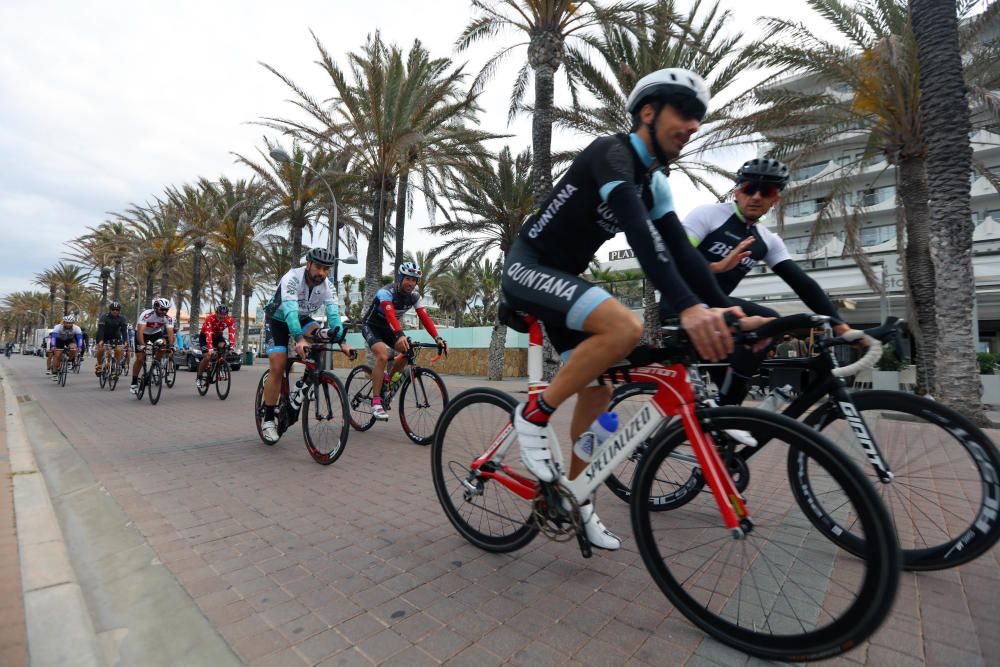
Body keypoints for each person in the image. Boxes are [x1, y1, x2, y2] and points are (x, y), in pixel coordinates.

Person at [501, 67, 768, 551]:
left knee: (601, 392)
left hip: (564, 283)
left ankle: (578, 499)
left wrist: (724, 308)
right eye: (685, 113)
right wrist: (687, 308)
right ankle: (534, 414)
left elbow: (684, 256)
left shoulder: (657, 185)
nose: (693, 126)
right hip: (529, 266)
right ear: (648, 112)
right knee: (626, 325)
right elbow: (640, 237)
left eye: (699, 118)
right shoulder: (612, 154)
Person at [679, 157, 852, 406]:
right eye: (749, 188)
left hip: (721, 309)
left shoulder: (768, 240)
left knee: (773, 322)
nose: (756, 196)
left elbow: (802, 283)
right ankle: (726, 403)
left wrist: (842, 326)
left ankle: (726, 404)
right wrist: (716, 266)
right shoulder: (708, 215)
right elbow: (675, 258)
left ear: (775, 199)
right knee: (759, 322)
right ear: (737, 191)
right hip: (684, 305)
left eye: (767, 191)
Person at [260, 248, 353, 443]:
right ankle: (268, 418)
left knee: (320, 340)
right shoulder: (292, 278)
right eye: (318, 267)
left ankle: (303, 385)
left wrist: (342, 342)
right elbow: (290, 312)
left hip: (302, 318)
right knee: (278, 366)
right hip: (277, 319)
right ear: (308, 264)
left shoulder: (328, 285)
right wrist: (299, 339)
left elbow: (334, 315)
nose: (322, 273)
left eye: (326, 269)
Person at [360, 261, 447, 421]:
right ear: (400, 278)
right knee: (383, 356)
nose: (411, 283)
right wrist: (400, 334)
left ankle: (388, 380)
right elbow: (390, 315)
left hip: (389, 328)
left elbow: (425, 318)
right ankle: (376, 402)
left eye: (414, 280)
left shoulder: (414, 297)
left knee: (408, 351)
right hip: (372, 326)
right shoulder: (386, 292)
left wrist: (438, 338)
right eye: (408, 279)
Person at [130, 298, 176, 395]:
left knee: (164, 345)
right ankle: (134, 382)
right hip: (142, 334)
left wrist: (171, 346)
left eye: (166, 310)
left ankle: (156, 364)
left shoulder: (168, 318)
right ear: (155, 308)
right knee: (140, 358)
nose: (164, 312)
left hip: (155, 333)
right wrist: (142, 345)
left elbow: (170, 333)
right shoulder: (146, 315)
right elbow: (140, 332)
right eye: (162, 309)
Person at [196, 305, 236, 391]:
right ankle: (199, 376)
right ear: (216, 313)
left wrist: (232, 347)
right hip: (205, 336)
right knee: (207, 357)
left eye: (224, 315)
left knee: (224, 346)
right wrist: (210, 348)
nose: (222, 317)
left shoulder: (230, 320)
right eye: (220, 315)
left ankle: (220, 365)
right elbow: (208, 334)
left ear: (227, 314)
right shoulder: (210, 319)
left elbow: (232, 333)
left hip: (218, 336)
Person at [95, 301, 129, 377]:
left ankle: (115, 368)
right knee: (101, 349)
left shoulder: (122, 318)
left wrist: (125, 341)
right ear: (110, 310)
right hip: (103, 336)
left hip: (116, 337)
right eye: (113, 309)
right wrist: (100, 341)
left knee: (119, 350)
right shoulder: (104, 317)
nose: (115, 311)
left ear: (119, 311)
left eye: (117, 310)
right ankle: (99, 364)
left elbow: (124, 331)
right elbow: (101, 330)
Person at [48, 314, 82, 380]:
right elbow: (53, 337)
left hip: (69, 340)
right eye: (67, 323)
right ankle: (55, 373)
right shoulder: (58, 327)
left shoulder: (76, 328)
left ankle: (69, 361)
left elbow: (79, 339)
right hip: (59, 340)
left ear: (73, 323)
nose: (68, 324)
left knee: (74, 348)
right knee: (57, 355)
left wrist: (80, 347)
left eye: (70, 323)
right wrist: (53, 346)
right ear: (64, 322)